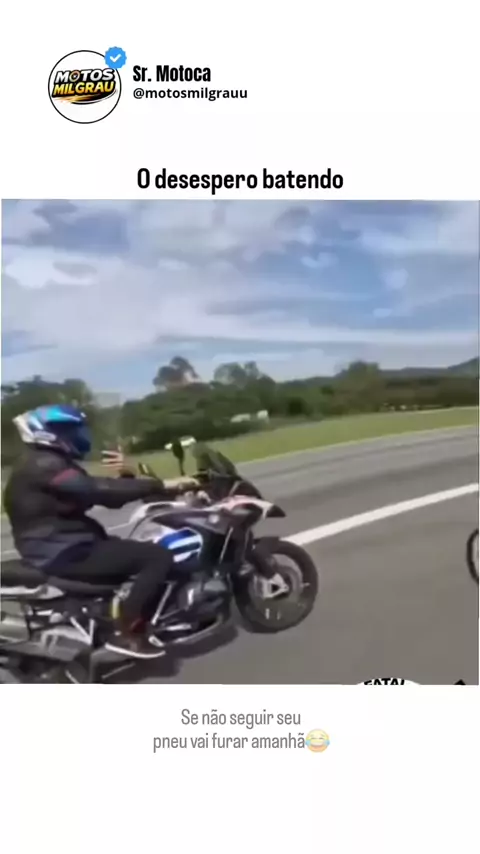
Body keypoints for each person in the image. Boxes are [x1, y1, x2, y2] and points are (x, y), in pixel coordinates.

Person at [3, 404, 199, 659]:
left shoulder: (50, 463)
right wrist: (161, 485)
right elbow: (97, 489)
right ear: (44, 432)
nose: (78, 435)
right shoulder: (44, 464)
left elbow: (108, 498)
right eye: (68, 430)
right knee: (156, 556)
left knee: (130, 550)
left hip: (63, 544)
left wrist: (127, 476)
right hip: (63, 550)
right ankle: (127, 632)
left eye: (77, 430)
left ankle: (116, 614)